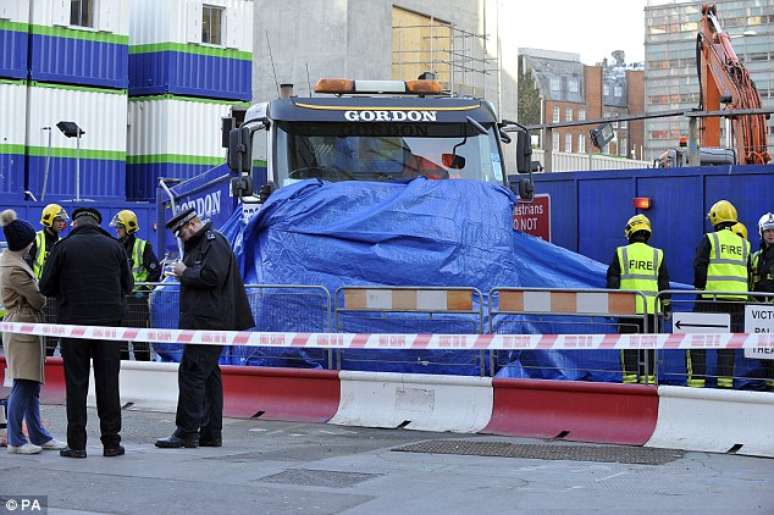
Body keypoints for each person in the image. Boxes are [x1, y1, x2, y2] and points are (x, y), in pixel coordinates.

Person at [155, 208, 254, 449]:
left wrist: (184, 272)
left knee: (192, 373)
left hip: (209, 322)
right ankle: (210, 433)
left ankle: (186, 432)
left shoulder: (213, 242)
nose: (180, 237)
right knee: (208, 376)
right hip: (206, 321)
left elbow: (213, 276)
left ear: (192, 224)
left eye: (181, 232)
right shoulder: (204, 244)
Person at [39, 208, 133, 458]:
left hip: (74, 325)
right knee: (108, 384)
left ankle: (77, 444)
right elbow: (129, 285)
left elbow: (45, 286)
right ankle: (111, 443)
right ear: (98, 224)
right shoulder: (114, 247)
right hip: (109, 327)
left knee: (76, 384)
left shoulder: (64, 247)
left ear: (75, 224)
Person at [0, 209, 66, 454]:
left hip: (25, 325)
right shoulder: (15, 268)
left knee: (31, 384)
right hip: (22, 326)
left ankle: (39, 435)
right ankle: (16, 440)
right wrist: (41, 290)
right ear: (23, 244)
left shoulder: (13, 261)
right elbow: (38, 300)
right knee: (24, 383)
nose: (31, 246)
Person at [690, 200, 751, 389]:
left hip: (711, 300)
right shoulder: (744, 244)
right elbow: (748, 271)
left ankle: (697, 381)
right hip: (737, 302)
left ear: (715, 218)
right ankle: (725, 383)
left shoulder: (710, 239)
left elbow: (699, 266)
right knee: (728, 344)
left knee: (696, 339)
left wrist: (700, 289)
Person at [606, 214, 670, 384]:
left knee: (628, 344)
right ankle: (648, 379)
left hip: (628, 309)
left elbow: (612, 280)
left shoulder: (621, 252)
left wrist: (612, 305)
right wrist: (667, 307)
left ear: (630, 231)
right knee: (649, 345)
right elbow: (664, 283)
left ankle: (630, 378)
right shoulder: (658, 254)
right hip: (651, 310)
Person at [109, 210, 161, 361]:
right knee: (120, 341)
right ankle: (123, 369)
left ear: (128, 227)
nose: (116, 230)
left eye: (119, 226)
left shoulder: (143, 247)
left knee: (140, 341)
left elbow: (155, 271)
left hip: (137, 301)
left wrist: (143, 292)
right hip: (120, 300)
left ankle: (143, 368)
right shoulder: (115, 246)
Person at [27, 204, 69, 357]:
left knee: (52, 335)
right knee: (36, 336)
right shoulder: (36, 239)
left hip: (55, 296)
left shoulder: (63, 242)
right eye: (58, 220)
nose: (61, 223)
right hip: (37, 294)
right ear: (48, 220)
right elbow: (27, 264)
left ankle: (48, 361)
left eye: (63, 220)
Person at [751, 212, 774, 389]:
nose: (771, 234)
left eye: (773, 230)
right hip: (758, 310)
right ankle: (768, 382)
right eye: (767, 230)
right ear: (761, 232)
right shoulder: (756, 257)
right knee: (762, 349)